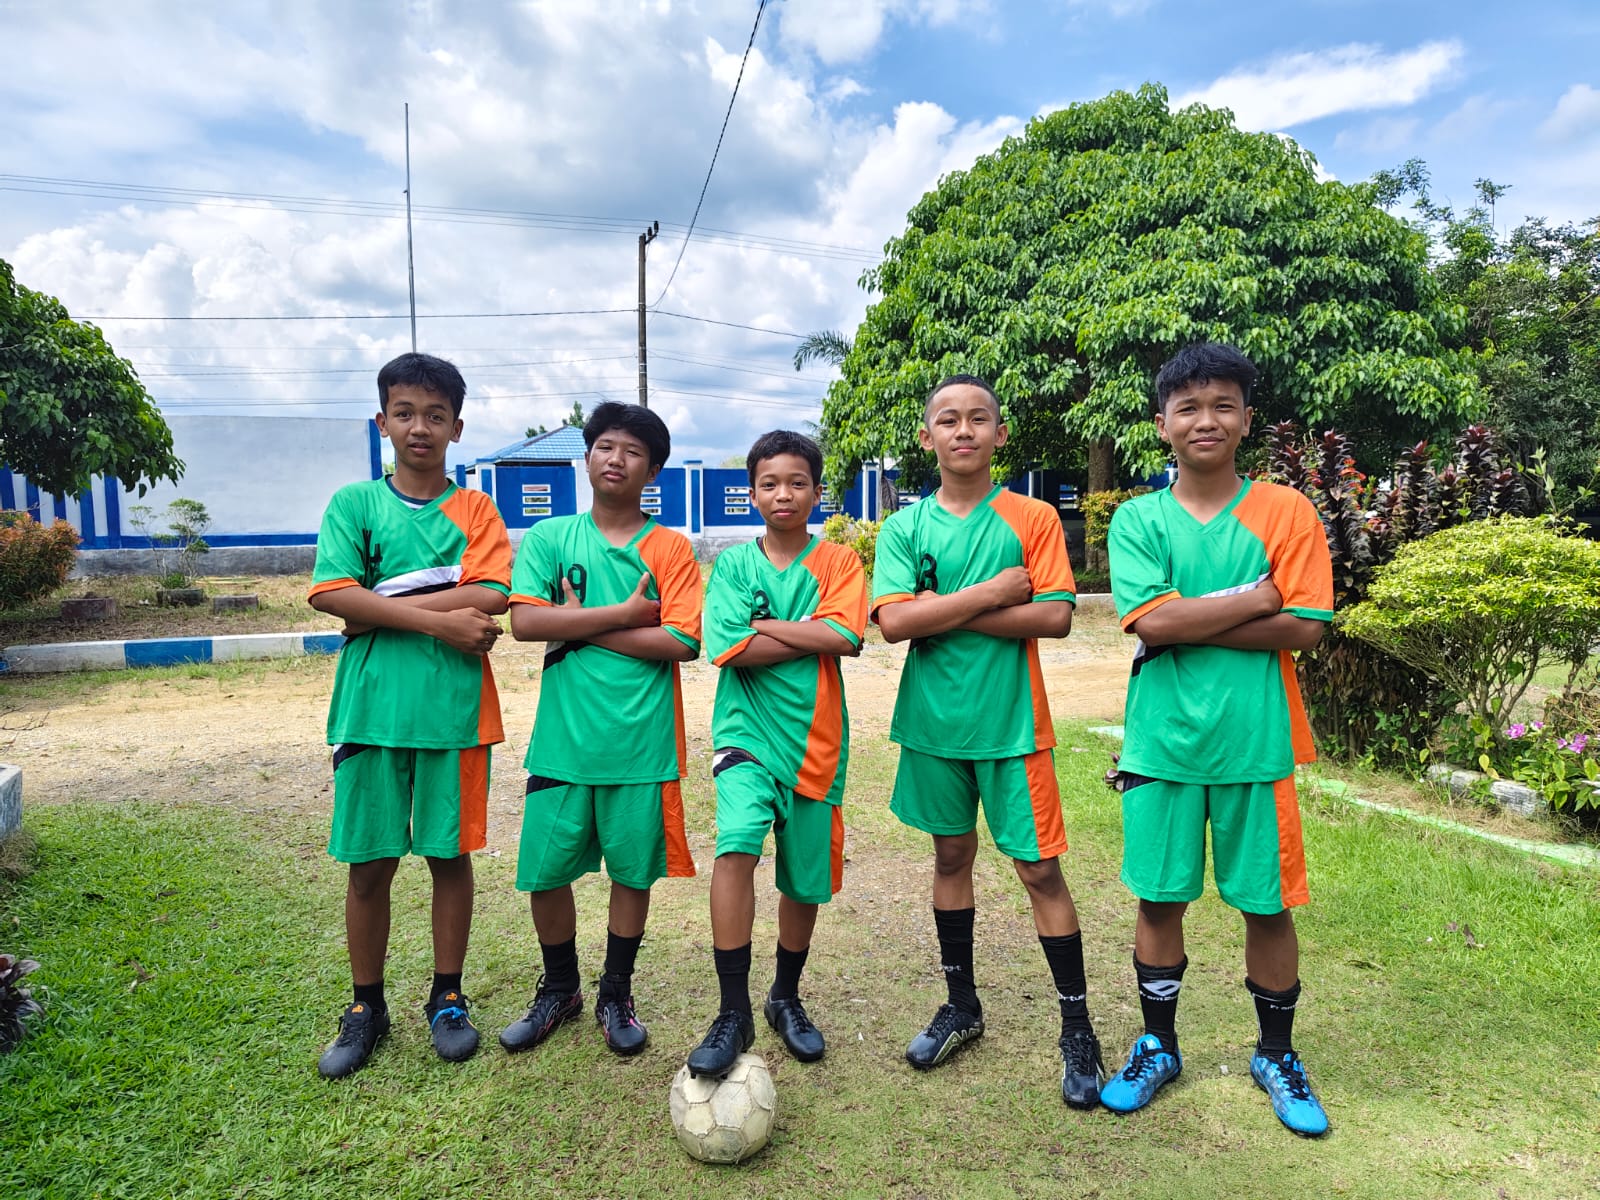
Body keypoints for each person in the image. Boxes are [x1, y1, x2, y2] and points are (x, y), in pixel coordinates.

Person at [1100, 341, 1334, 1137]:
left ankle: (1276, 1054)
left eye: (1223, 404)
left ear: (1245, 420)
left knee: (1267, 907)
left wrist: (1189, 619)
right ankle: (1158, 1045)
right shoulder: (1137, 518)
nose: (1207, 419)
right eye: (1189, 406)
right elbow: (1148, 619)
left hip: (1256, 744)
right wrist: (1256, 597)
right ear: (1162, 422)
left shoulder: (1287, 510)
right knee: (1160, 898)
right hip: (1160, 745)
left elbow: (1304, 629)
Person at [871, 375, 1104, 1109]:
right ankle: (962, 1005)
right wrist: (997, 595)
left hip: (1012, 727)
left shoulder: (1031, 517)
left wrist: (938, 610)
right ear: (927, 437)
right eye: (948, 419)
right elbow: (892, 624)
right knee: (950, 856)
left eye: (978, 419)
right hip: (934, 726)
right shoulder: (906, 529)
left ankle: (1078, 1027)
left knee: (1039, 872)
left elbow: (1056, 619)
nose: (963, 430)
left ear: (1000, 435)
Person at [308, 351, 511, 1079]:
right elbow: (332, 593)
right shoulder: (353, 506)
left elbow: (489, 596)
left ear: (457, 427)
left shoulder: (477, 511)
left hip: (454, 715)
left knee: (449, 858)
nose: (418, 427)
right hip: (368, 714)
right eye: (404, 412)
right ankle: (366, 1006)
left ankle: (447, 996)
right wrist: (441, 618)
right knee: (369, 867)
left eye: (434, 415)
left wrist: (377, 611)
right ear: (381, 421)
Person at [501, 401, 701, 1059]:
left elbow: (682, 640)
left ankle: (617, 990)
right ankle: (559, 987)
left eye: (633, 451)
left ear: (653, 471)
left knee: (631, 871)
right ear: (587, 456)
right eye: (606, 446)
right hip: (563, 741)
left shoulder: (670, 548)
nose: (616, 459)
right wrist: (623, 616)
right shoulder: (552, 537)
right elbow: (526, 624)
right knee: (545, 870)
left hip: (641, 741)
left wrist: (581, 622)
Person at [685, 430, 868, 1077]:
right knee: (736, 843)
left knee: (803, 879)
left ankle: (784, 996)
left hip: (816, 743)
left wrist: (764, 628)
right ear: (751, 492)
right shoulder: (734, 565)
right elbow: (727, 648)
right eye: (769, 482)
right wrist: (807, 633)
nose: (783, 493)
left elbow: (847, 636)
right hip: (746, 735)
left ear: (818, 491)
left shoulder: (840, 564)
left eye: (797, 482)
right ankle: (732, 1010)